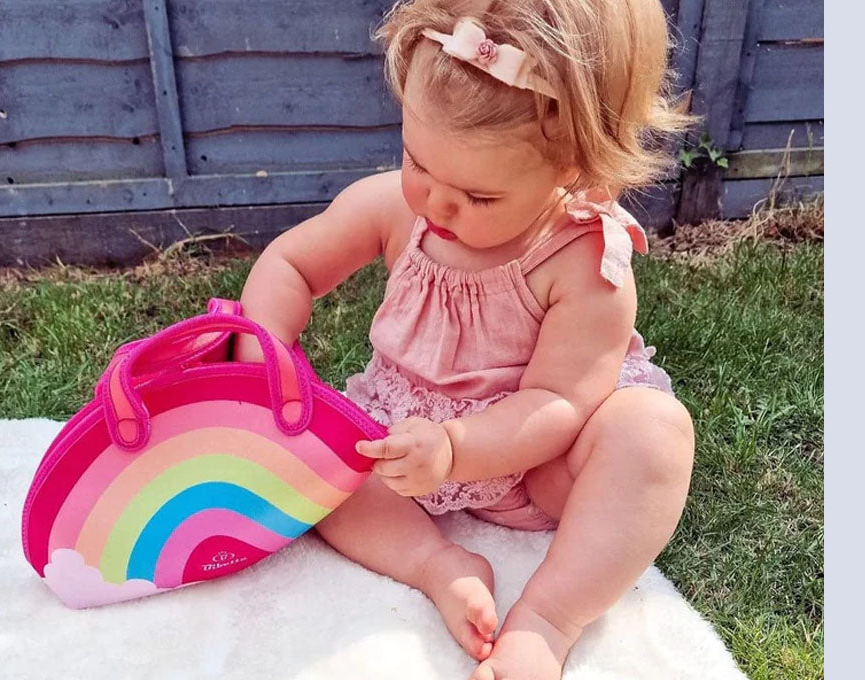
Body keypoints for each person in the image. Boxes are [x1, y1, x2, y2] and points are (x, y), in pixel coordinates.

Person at [236, 2, 697, 677]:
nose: (435, 203)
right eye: (416, 161)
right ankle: (440, 566)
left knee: (652, 435)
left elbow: (559, 403)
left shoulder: (581, 262)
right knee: (314, 465)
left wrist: (457, 449)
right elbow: (292, 264)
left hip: (540, 464)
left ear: (572, 165)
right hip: (409, 441)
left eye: (479, 198)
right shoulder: (399, 207)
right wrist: (265, 348)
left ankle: (547, 620)